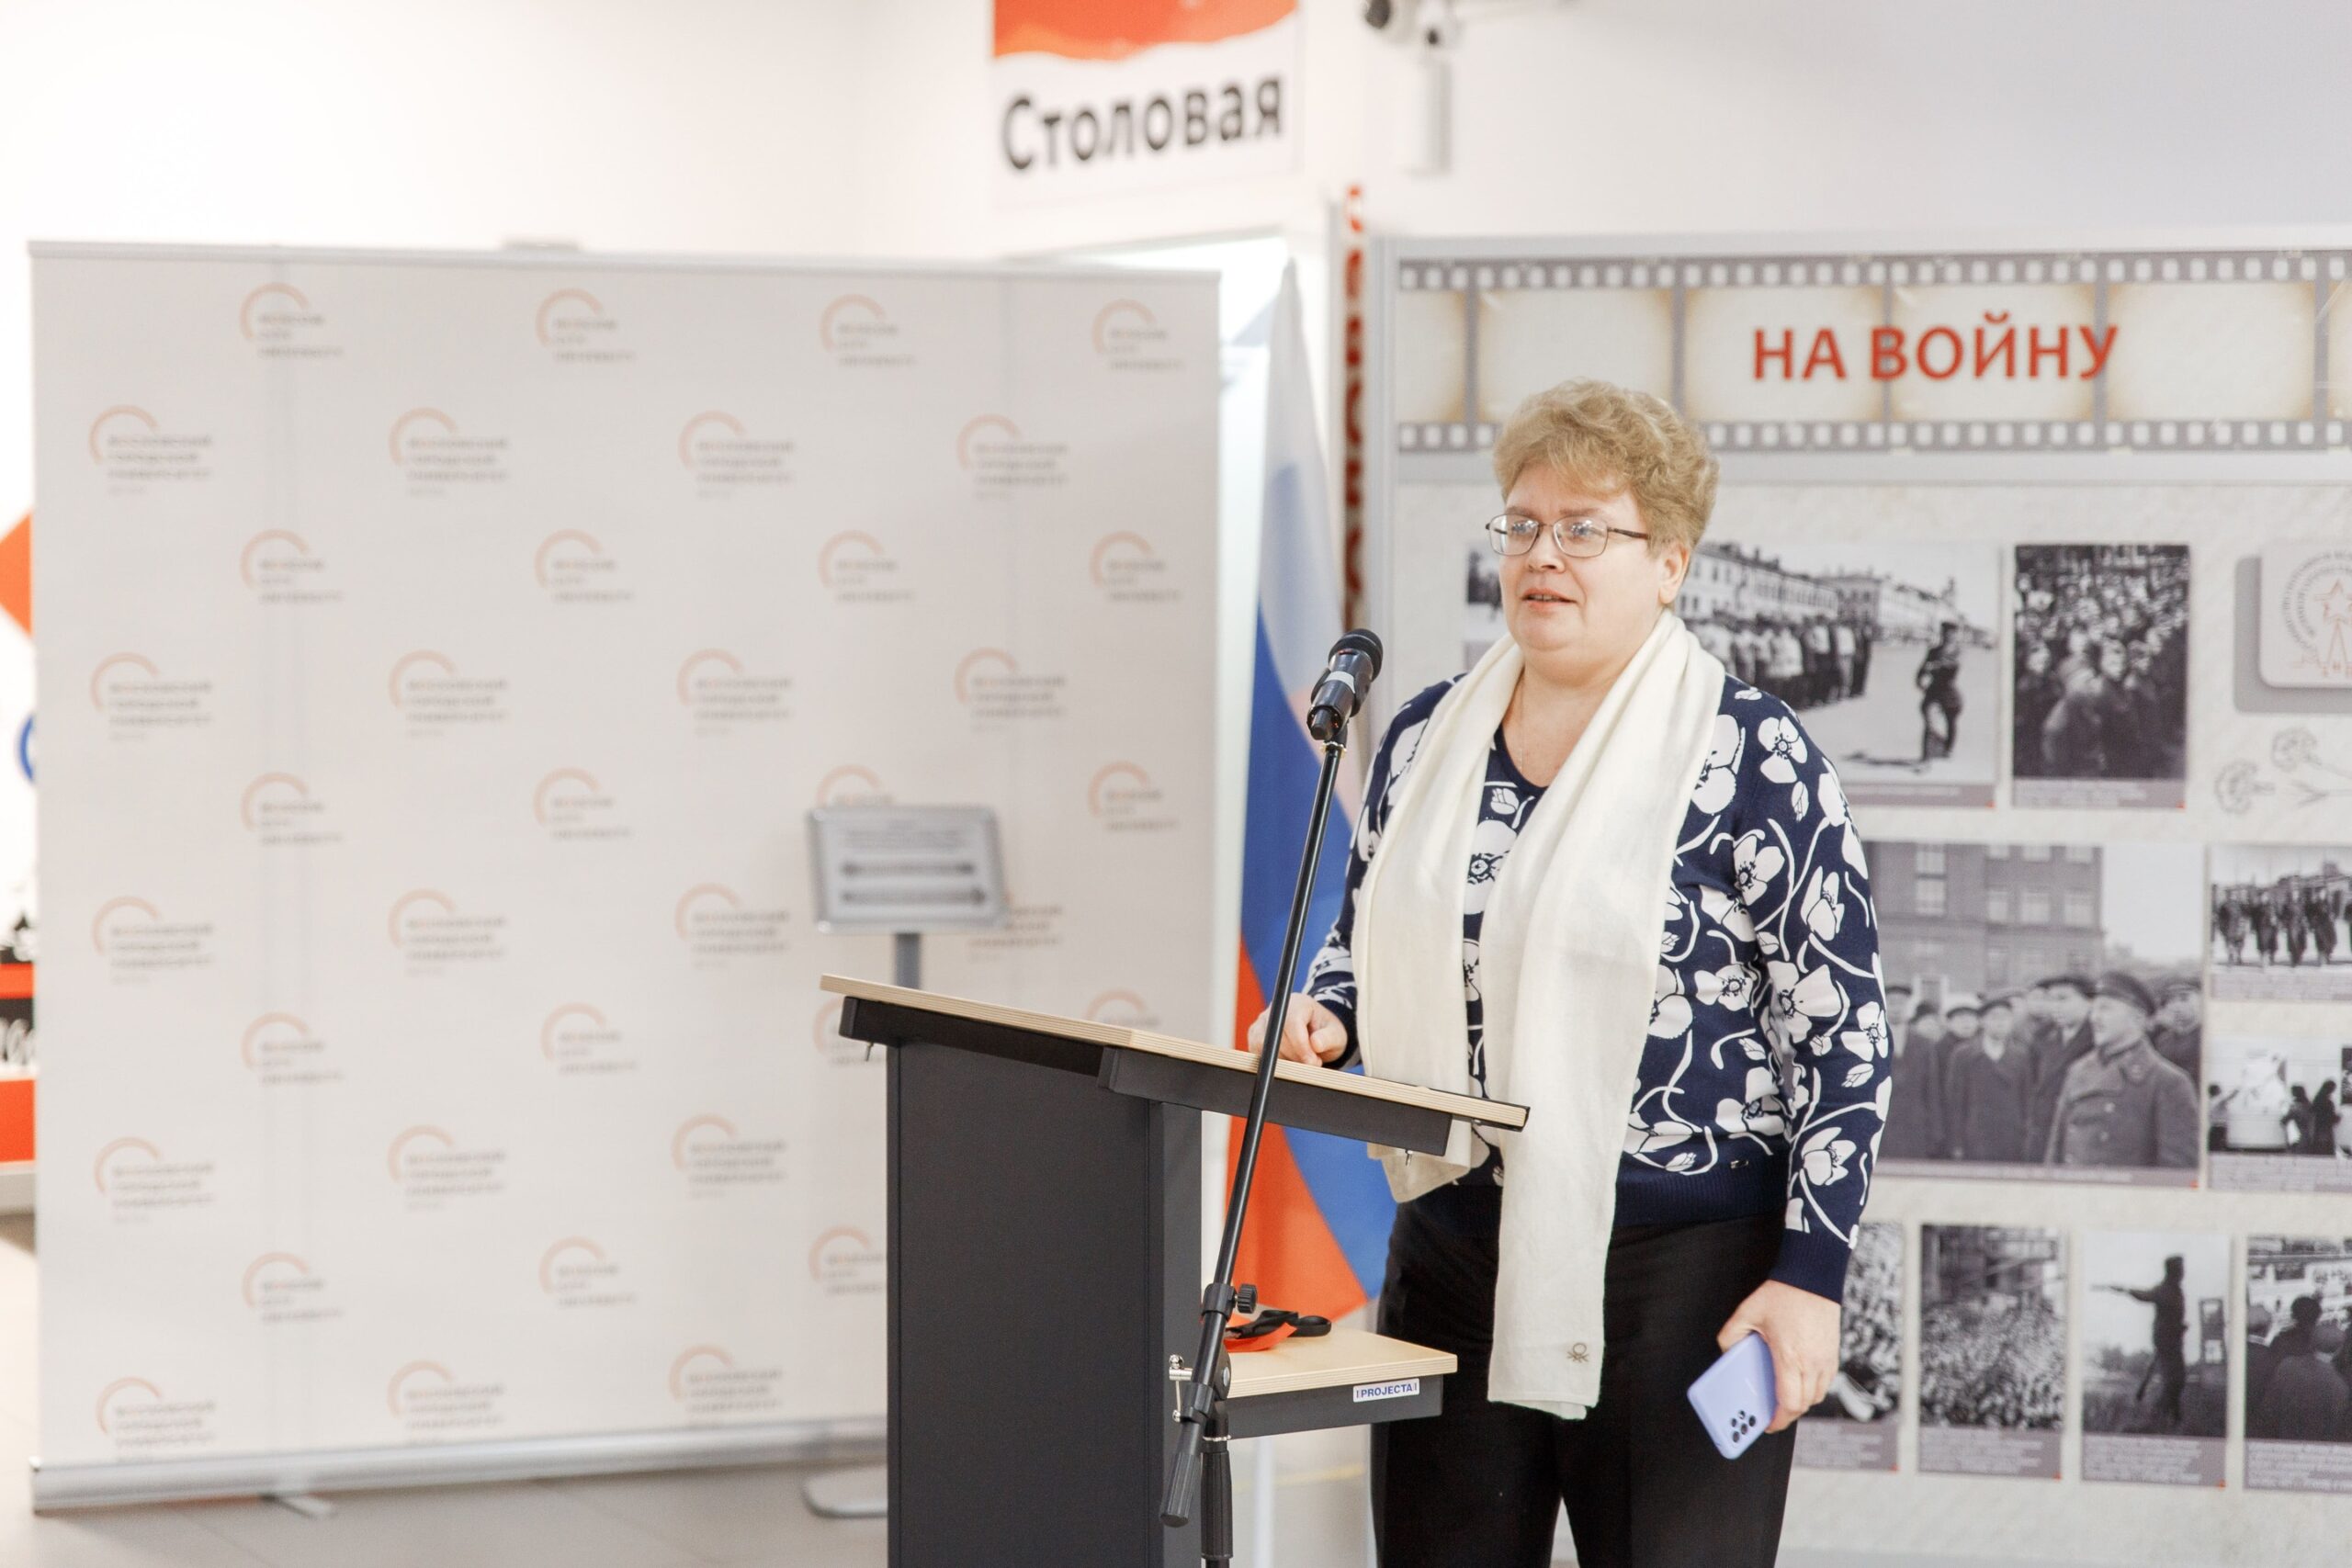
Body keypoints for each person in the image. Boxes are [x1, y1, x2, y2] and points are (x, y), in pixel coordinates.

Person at [1259, 378, 1889, 1568]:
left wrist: (1811, 1275)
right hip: (1451, 1251)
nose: (1543, 554)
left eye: (1584, 528)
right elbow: (1364, 938)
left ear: (1670, 562)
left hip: (1682, 1279)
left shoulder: (1750, 754)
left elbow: (1843, 1038)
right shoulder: (1425, 736)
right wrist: (1329, 1017)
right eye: (1523, 523)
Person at [2042, 972, 2201, 1169]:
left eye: (2105, 1008)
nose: (2094, 1018)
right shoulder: (2077, 1071)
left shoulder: (2168, 1082)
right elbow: (2055, 1154)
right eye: (2094, 1009)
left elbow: (2176, 1173)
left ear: (2137, 1017)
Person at [2098, 1256, 2188, 1432]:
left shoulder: (2175, 1290)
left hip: (2172, 1337)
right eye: (2180, 1269)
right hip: (2166, 1339)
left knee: (2174, 1377)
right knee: (2175, 1379)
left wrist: (2180, 1326)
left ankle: (2166, 1411)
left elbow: (2174, 1314)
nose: (2183, 1272)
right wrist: (2125, 1289)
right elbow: (2144, 1295)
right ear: (2173, 1271)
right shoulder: (2165, 1290)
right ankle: (2164, 1415)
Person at [1943, 990, 2030, 1164]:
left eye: (2005, 1017)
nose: (2000, 1022)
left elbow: (2026, 1101)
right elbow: (1955, 1102)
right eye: (1994, 1017)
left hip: (2010, 1139)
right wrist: (1956, 1143)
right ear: (1982, 1021)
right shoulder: (1963, 1055)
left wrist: (2025, 1138)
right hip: (1975, 1139)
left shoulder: (2020, 1056)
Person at [2023, 976, 2095, 1159]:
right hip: (2043, 1132)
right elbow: (2033, 1085)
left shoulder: (2097, 1039)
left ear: (2089, 1002)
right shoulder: (2043, 1037)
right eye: (2051, 999)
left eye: (2063, 999)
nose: (2055, 1006)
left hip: (2080, 1137)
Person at [1915, 621, 1963, 763]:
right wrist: (1919, 680)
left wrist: (1936, 666)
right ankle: (1926, 757)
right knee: (1929, 723)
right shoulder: (1934, 651)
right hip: (1934, 691)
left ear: (1955, 635)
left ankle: (1948, 748)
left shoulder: (1957, 651)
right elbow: (1923, 668)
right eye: (1945, 633)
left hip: (1949, 692)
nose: (1948, 636)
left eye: (1951, 633)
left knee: (1951, 721)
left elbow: (1953, 666)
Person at [2147, 979, 2201, 1082]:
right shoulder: (2163, 1041)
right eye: (2170, 1001)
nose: (2176, 1007)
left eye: (2184, 998)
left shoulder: (2207, 1040)